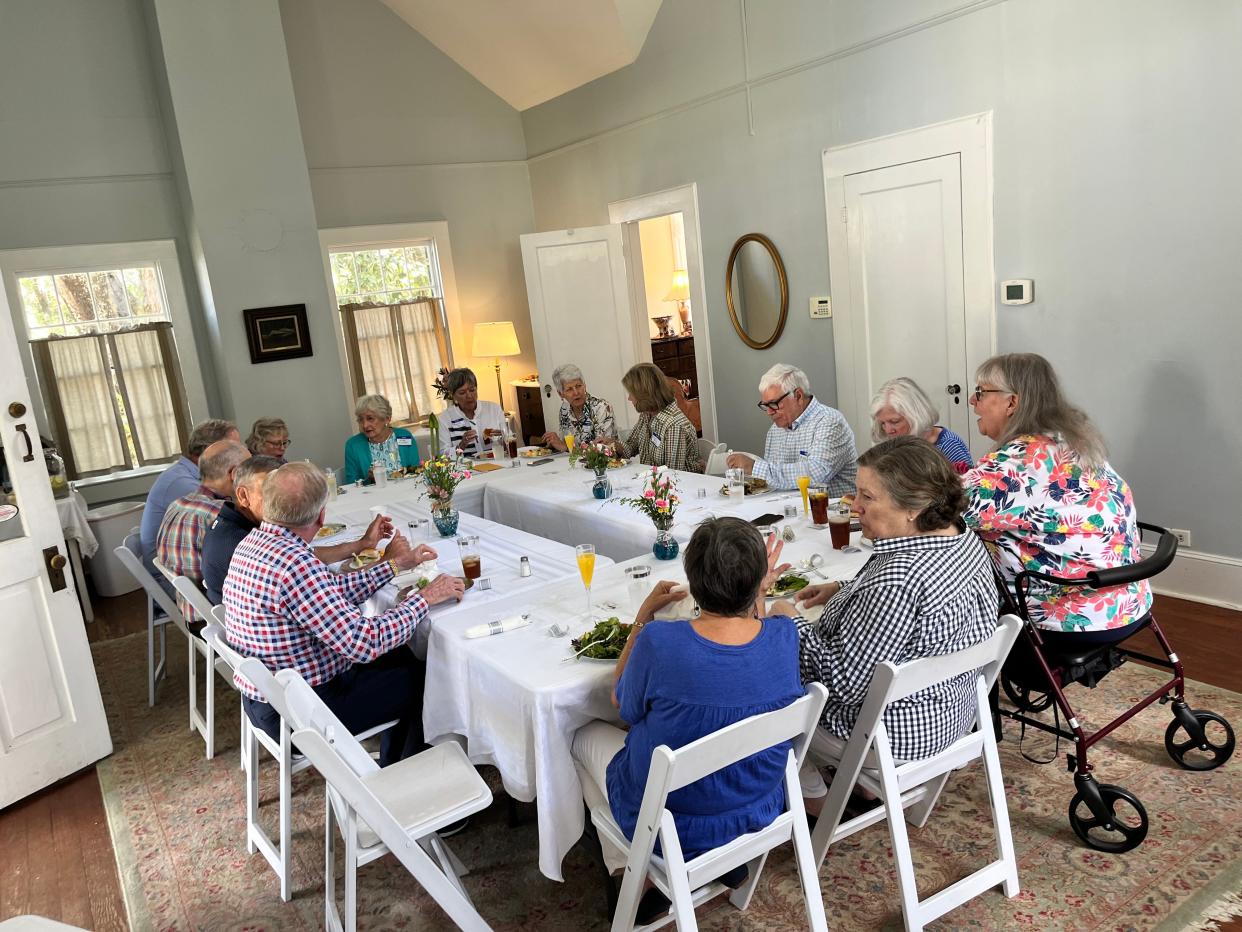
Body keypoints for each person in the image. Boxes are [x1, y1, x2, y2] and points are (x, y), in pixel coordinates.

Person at [572, 517, 802, 919]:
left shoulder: (660, 642)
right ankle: (722, 862)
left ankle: (631, 873)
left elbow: (622, 702)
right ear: (757, 583)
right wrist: (758, 595)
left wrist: (643, 616)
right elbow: (756, 638)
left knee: (581, 735)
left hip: (673, 825)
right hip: (757, 806)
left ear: (692, 581)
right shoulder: (784, 635)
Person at [771, 436, 997, 812]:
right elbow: (915, 612)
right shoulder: (963, 540)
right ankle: (863, 787)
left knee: (753, 686)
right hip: (953, 713)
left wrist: (788, 621)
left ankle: (814, 797)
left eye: (867, 497)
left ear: (914, 507)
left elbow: (840, 683)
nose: (854, 506)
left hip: (891, 735)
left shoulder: (898, 580)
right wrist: (843, 589)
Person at [222, 462, 465, 767]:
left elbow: (330, 590)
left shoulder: (256, 543)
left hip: (271, 700)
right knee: (431, 677)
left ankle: (395, 765)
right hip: (304, 711)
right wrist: (425, 598)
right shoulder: (295, 563)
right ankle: (420, 787)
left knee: (406, 656)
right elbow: (364, 643)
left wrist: (394, 565)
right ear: (321, 516)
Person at [963, 352, 1152, 643]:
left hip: (1068, 620)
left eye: (980, 392)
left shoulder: (1017, 462)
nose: (972, 402)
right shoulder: (1074, 442)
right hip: (1129, 603)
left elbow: (939, 509)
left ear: (1012, 402)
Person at [200, 456, 394, 604]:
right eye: (270, 491)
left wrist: (362, 544)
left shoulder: (235, 527)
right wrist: (390, 564)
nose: (282, 500)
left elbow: (307, 559)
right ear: (243, 495)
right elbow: (357, 638)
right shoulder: (240, 540)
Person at [155, 439, 251, 621]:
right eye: (251, 468)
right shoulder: (223, 515)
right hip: (218, 620)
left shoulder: (178, 504)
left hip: (190, 610)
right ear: (236, 473)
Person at [726, 364, 857, 495]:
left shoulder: (830, 421)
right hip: (790, 508)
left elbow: (815, 475)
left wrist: (754, 467)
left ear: (798, 396)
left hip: (833, 510)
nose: (769, 412)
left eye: (774, 403)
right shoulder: (775, 430)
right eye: (766, 405)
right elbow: (774, 481)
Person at [140, 418, 238, 581]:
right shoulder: (181, 483)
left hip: (181, 570)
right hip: (173, 580)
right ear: (210, 452)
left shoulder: (188, 474)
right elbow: (227, 518)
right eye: (234, 449)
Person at [614, 363, 703, 473]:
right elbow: (631, 447)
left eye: (632, 393)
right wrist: (612, 445)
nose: (629, 398)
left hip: (681, 486)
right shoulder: (646, 415)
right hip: (655, 481)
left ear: (644, 394)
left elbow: (671, 474)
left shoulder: (674, 425)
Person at [870, 377, 972, 470]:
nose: (888, 430)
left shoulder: (948, 445)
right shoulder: (896, 443)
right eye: (883, 423)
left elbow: (969, 488)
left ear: (915, 415)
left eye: (894, 421)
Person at [343, 395, 421, 484]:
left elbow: (416, 471)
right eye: (361, 420)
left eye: (370, 418)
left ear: (387, 418)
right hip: (372, 496)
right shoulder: (353, 445)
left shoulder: (404, 436)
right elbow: (351, 484)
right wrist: (369, 479)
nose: (365, 425)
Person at [540, 363, 617, 451]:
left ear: (584, 386)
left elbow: (603, 449)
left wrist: (566, 448)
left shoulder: (601, 407)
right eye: (569, 389)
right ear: (560, 394)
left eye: (578, 386)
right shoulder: (564, 410)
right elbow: (565, 443)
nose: (576, 392)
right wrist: (554, 442)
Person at [436, 368, 508, 458]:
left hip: (497, 463)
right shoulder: (445, 419)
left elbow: (510, 442)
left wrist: (504, 438)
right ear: (452, 395)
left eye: (472, 390)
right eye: (462, 393)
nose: (469, 396)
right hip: (466, 469)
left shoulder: (494, 409)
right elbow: (443, 456)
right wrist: (462, 445)